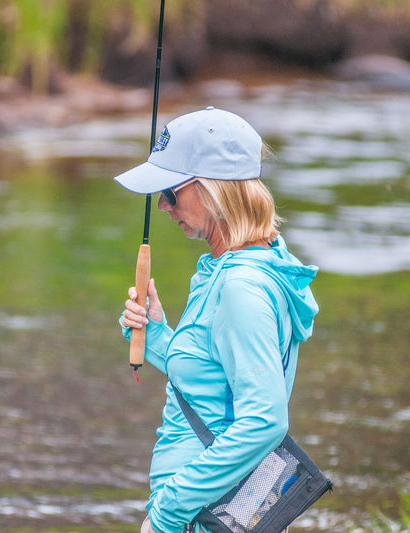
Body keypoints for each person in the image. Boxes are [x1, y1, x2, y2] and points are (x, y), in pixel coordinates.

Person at [115, 107, 319, 533]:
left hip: (198, 518)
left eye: (170, 191)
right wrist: (155, 336)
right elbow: (212, 383)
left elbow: (264, 419)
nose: (163, 206)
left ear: (213, 191)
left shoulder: (240, 287)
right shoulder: (231, 269)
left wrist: (169, 510)